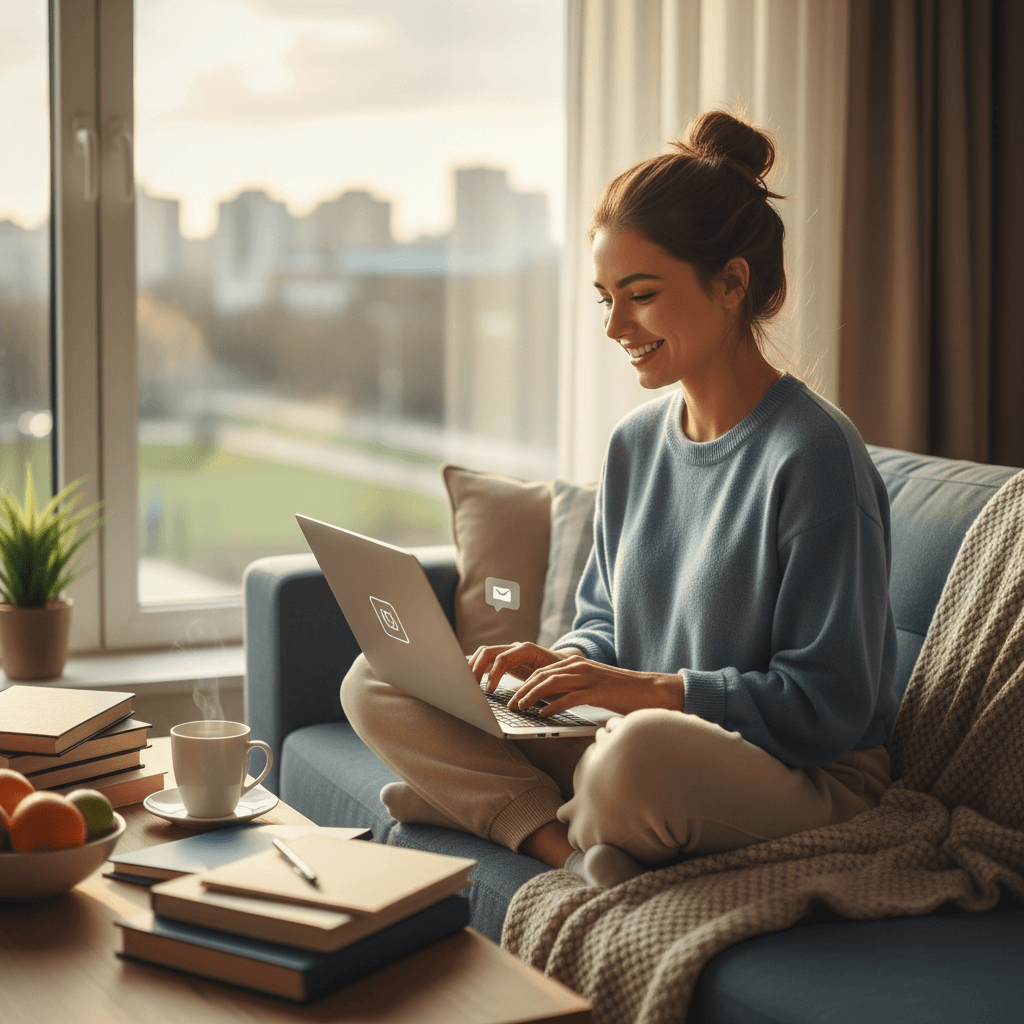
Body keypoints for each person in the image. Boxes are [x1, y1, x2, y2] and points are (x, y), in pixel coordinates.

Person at [341, 110, 899, 888]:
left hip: (789, 772)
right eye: (604, 297)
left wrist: (642, 693)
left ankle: (500, 809)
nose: (615, 326)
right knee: (378, 677)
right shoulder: (635, 443)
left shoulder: (815, 456)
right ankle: (563, 846)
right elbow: (604, 623)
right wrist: (560, 667)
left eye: (638, 295)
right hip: (627, 730)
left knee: (635, 760)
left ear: (732, 283)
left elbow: (825, 707)